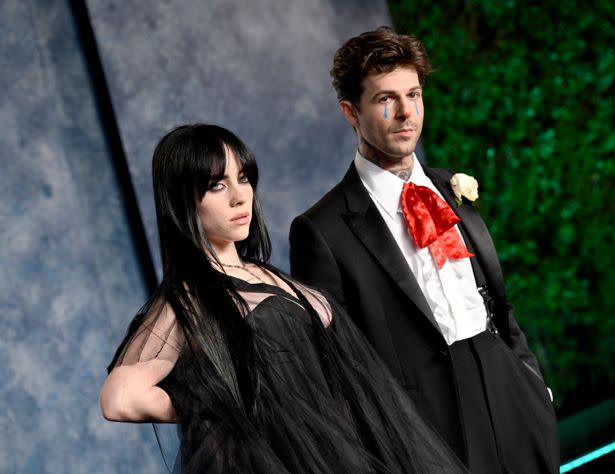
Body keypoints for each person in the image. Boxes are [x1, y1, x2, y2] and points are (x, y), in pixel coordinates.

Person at [99, 124, 468, 474]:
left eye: (242, 178)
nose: (239, 195)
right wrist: (214, 403)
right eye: (216, 185)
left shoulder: (264, 274)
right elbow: (118, 398)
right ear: (184, 200)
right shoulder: (191, 296)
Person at [289, 27, 560, 474]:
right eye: (384, 99)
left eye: (413, 94)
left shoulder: (451, 187)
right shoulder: (321, 231)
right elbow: (335, 370)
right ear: (350, 112)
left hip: (514, 403)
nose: (405, 113)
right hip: (424, 435)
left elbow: (496, 302)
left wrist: (533, 388)